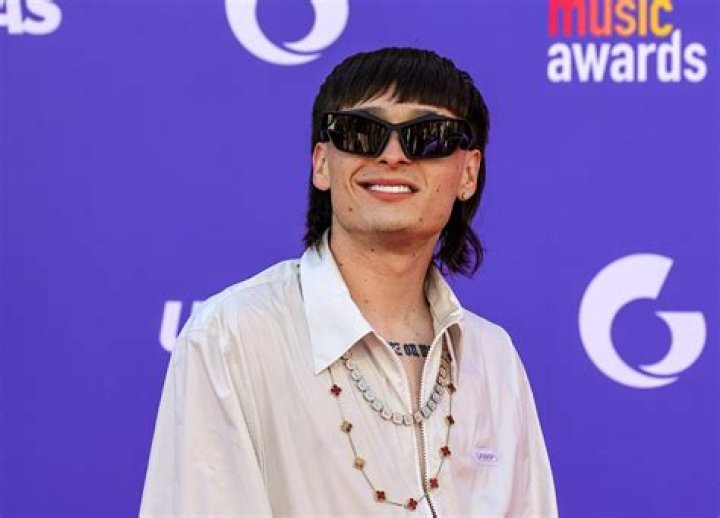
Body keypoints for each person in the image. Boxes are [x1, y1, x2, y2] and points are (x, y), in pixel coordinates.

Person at [140, 47, 557, 517]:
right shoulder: (232, 335)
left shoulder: (492, 356)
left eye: (428, 137)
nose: (393, 155)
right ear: (321, 163)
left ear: (468, 172)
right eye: (362, 133)